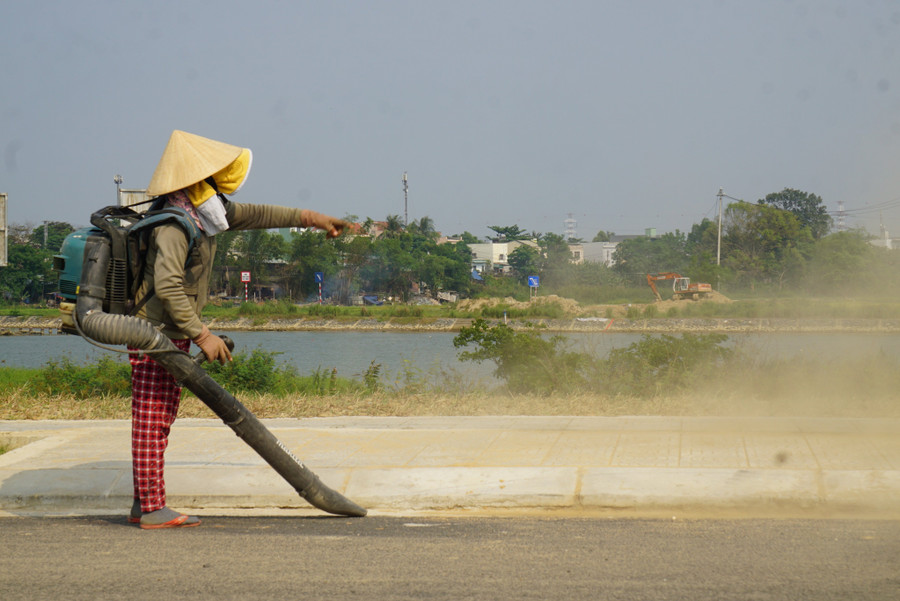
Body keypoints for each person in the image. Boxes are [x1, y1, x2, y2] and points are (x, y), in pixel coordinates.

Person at [128, 130, 348, 529]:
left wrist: (314, 220)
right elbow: (167, 286)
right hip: (152, 332)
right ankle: (152, 509)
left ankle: (145, 501)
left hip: (169, 332)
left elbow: (261, 214)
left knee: (160, 416)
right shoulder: (175, 225)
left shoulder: (203, 212)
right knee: (151, 418)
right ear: (199, 180)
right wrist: (203, 335)